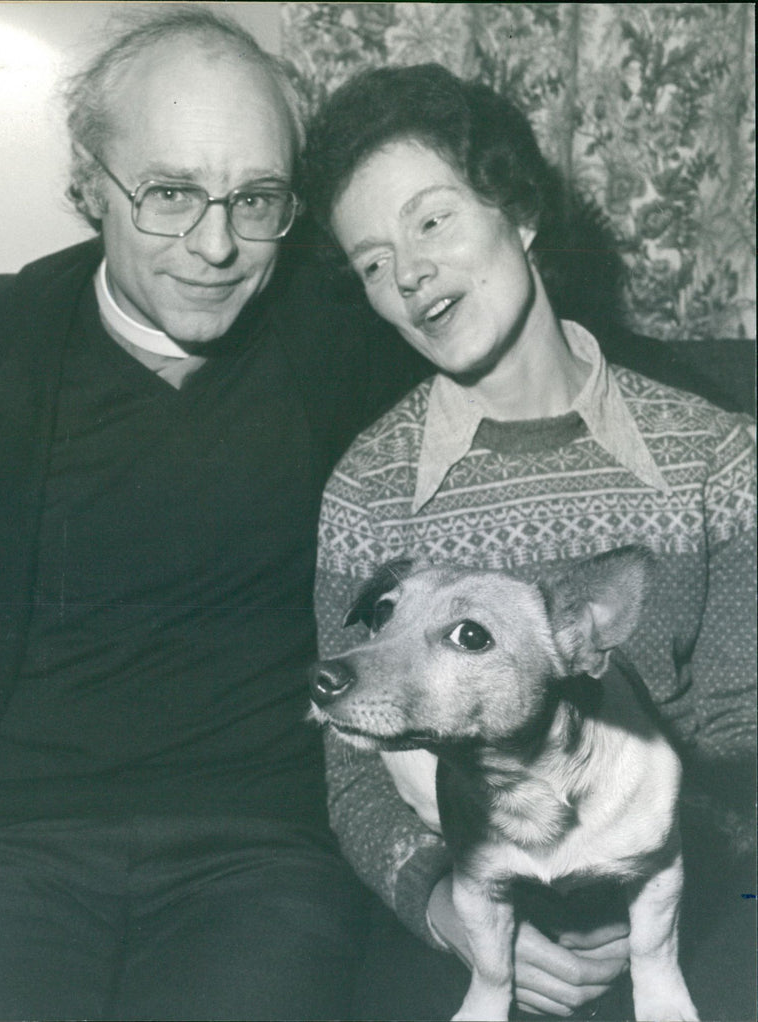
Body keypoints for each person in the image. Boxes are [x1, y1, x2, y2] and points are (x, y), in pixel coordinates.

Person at [0, 9, 428, 1021]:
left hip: (257, 857)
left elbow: (540, 356)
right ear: (91, 181)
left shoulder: (345, 347)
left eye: (254, 199)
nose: (215, 246)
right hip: (3, 851)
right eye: (171, 193)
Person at [305, 64, 757, 1020]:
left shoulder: (715, 456)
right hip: (468, 915)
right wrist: (446, 909)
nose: (411, 272)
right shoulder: (367, 487)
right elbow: (351, 771)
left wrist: (626, 893)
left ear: (518, 210)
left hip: (674, 895)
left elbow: (741, 745)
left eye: (431, 221)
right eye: (374, 262)